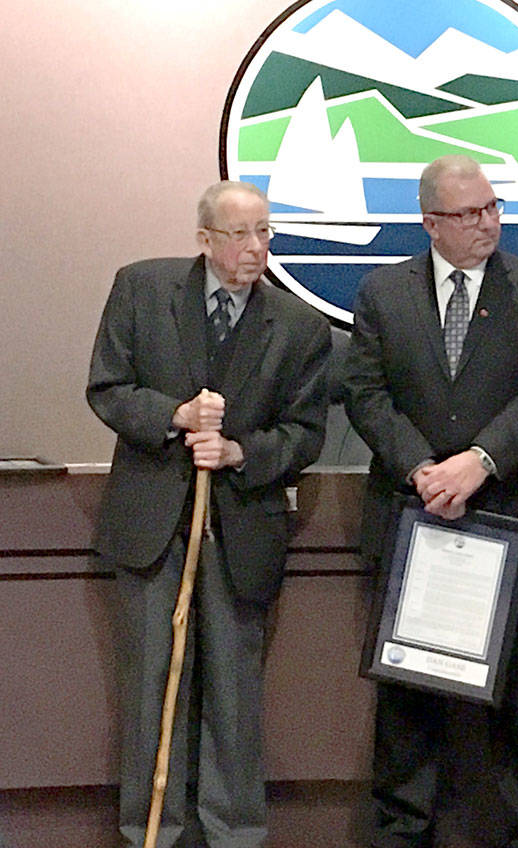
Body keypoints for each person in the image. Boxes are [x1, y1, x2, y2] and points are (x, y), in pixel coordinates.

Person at [86, 180, 331, 848]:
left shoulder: (300, 326)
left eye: (265, 233)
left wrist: (238, 451)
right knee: (150, 693)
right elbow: (107, 387)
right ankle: (150, 833)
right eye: (240, 234)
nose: (256, 249)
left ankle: (235, 835)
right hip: (152, 528)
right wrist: (175, 417)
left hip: (241, 530)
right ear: (204, 239)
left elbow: (307, 433)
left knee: (232, 698)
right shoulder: (141, 289)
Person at [342, 155, 518, 848]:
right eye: (470, 214)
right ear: (430, 222)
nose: (488, 224)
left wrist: (478, 461)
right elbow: (365, 393)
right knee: (409, 711)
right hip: (414, 521)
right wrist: (422, 467)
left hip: (513, 518)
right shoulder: (383, 292)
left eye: (494, 208)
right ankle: (401, 834)